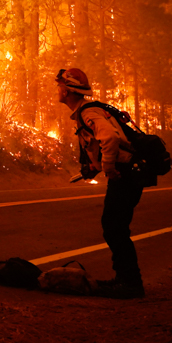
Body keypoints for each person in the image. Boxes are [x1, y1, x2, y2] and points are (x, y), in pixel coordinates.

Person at [56, 67, 147, 299]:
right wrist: (94, 169)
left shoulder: (88, 113)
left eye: (60, 86)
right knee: (115, 227)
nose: (57, 90)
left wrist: (108, 168)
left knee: (114, 227)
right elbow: (103, 143)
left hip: (126, 174)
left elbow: (109, 138)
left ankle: (130, 284)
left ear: (67, 90)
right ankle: (126, 279)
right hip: (130, 172)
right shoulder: (88, 111)